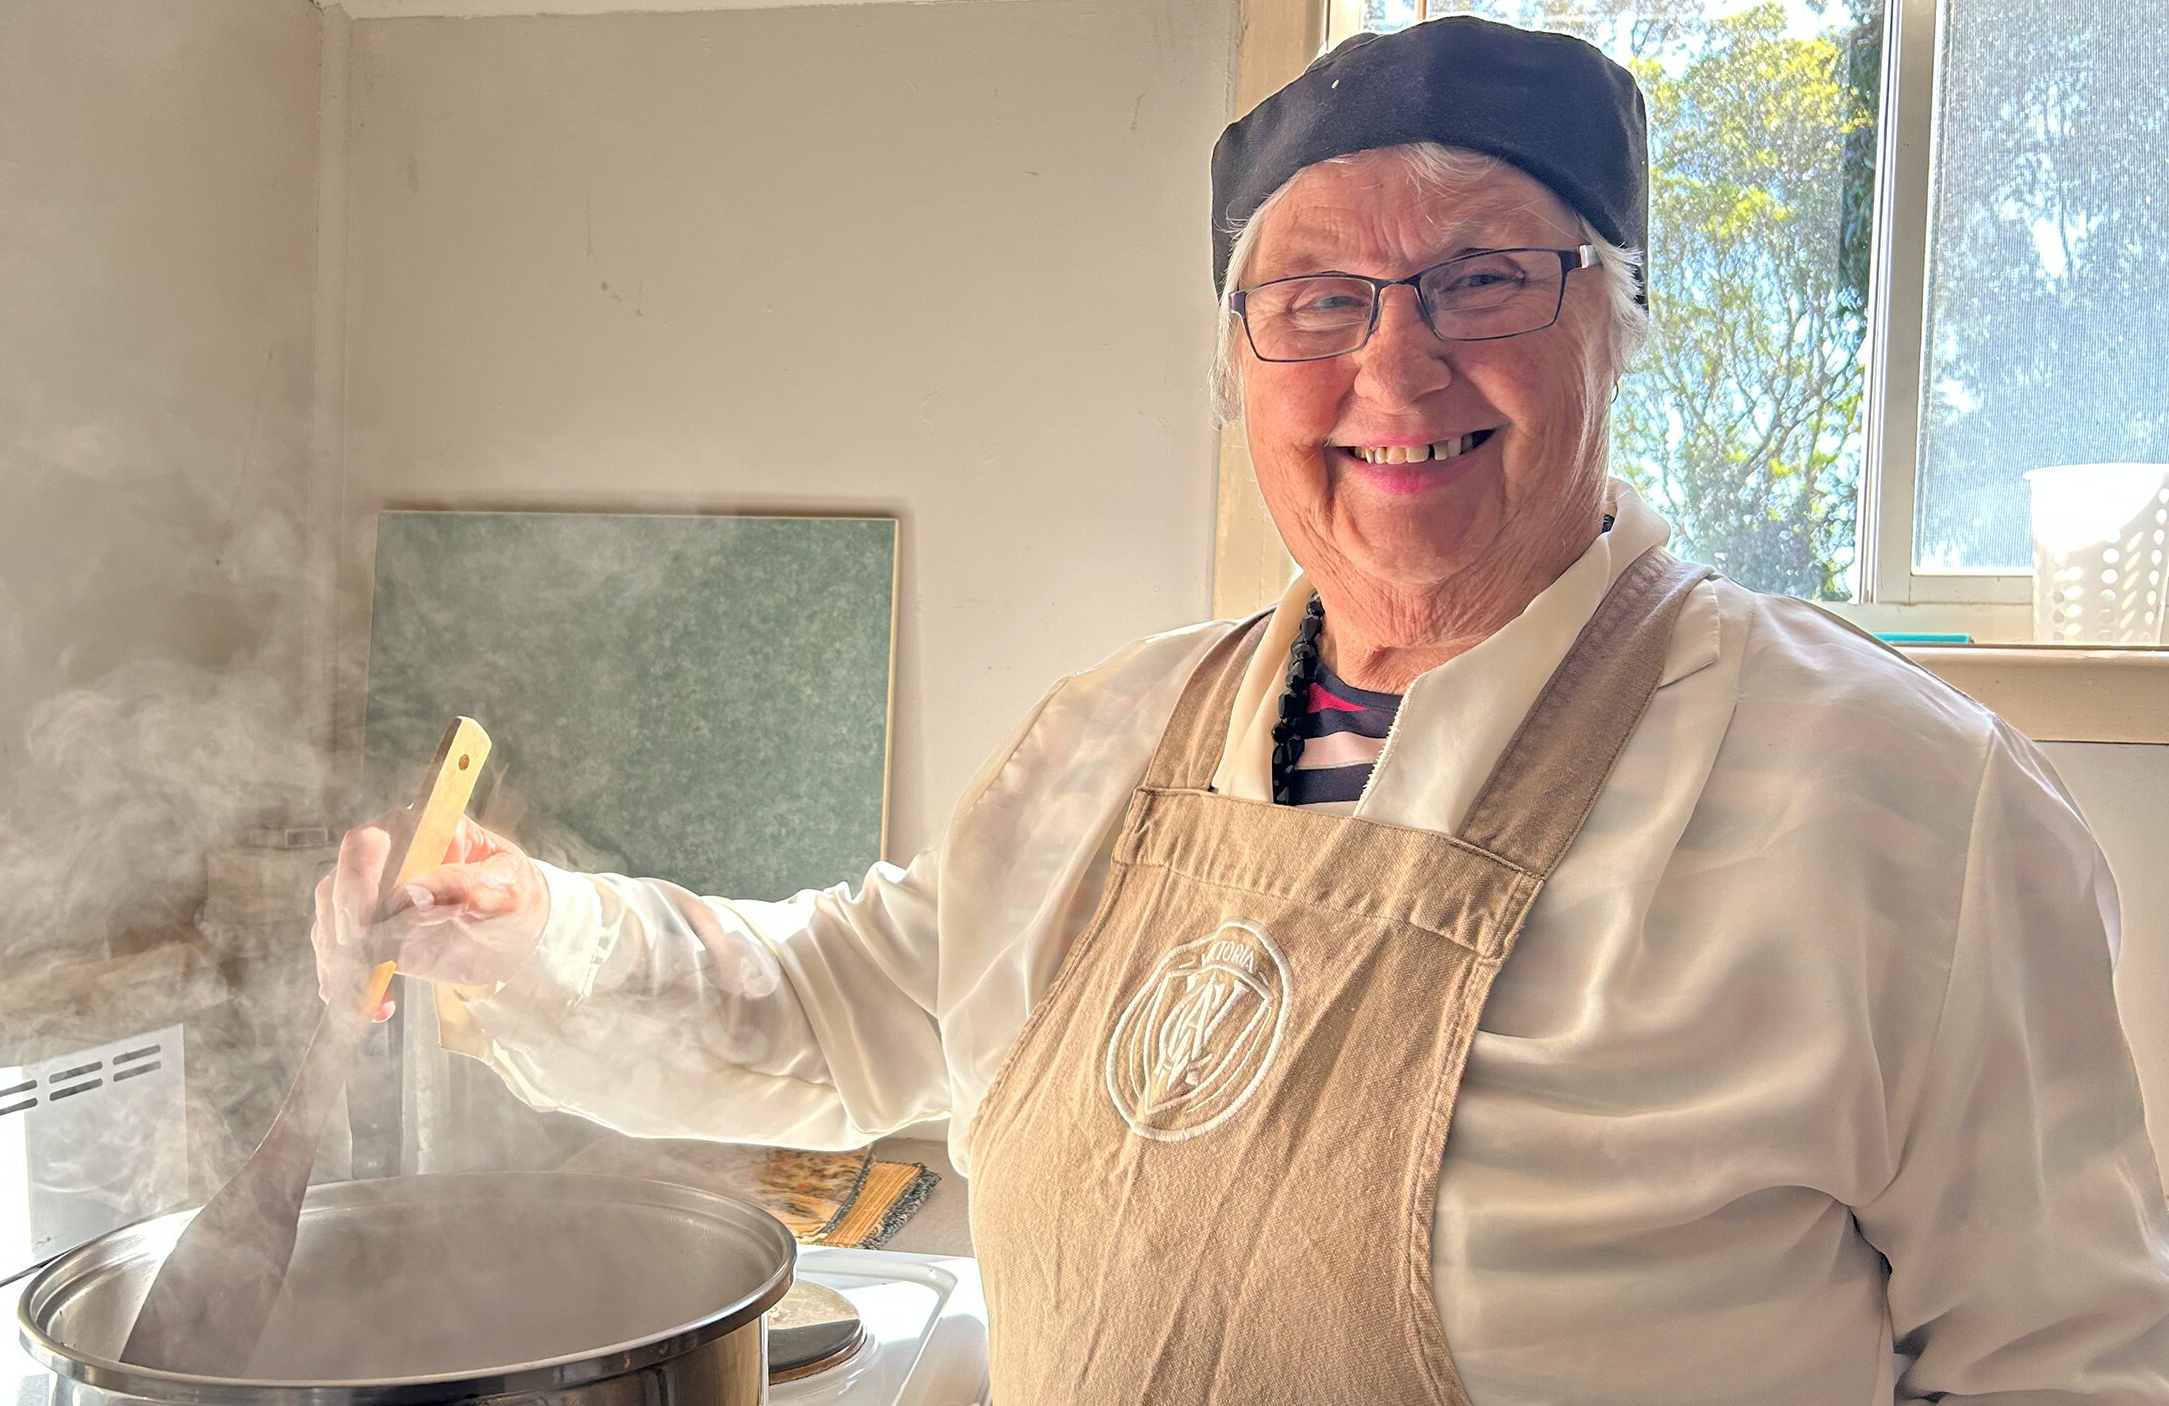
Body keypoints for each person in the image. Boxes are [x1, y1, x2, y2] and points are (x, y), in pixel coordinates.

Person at [315, 18, 2169, 1402]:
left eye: (1483, 276)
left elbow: (2065, 1359)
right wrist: (530, 933)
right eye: (1314, 297)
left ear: (1623, 314)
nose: (1394, 359)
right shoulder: (1106, 745)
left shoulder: (1900, 802)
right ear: (1235, 366)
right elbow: (824, 1006)